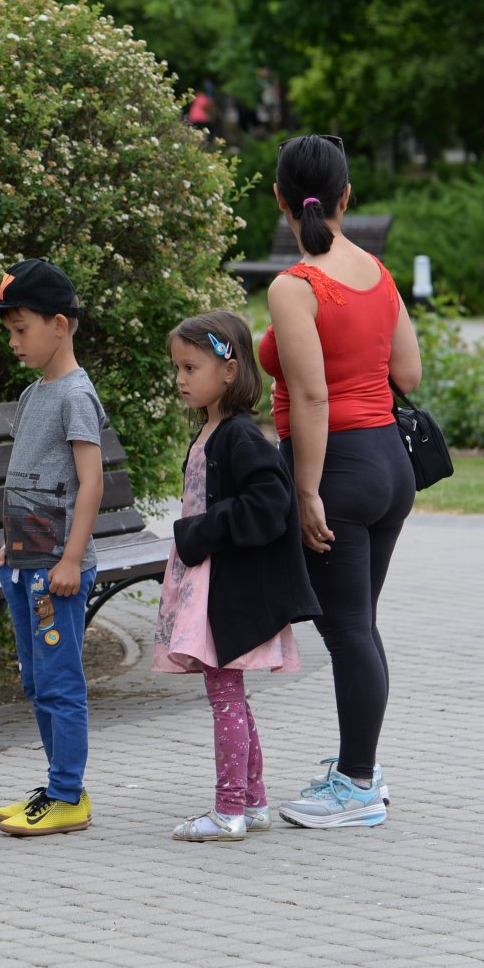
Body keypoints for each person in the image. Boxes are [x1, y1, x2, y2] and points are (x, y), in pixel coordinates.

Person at [260, 133, 422, 829]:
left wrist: (306, 491)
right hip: (390, 466)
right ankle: (363, 770)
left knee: (348, 629)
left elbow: (311, 396)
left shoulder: (295, 287)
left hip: (339, 473)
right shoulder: (378, 273)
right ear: (346, 196)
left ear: (280, 199)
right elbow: (408, 373)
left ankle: (356, 785)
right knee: (359, 625)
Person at [154, 311, 321, 842]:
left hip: (223, 590)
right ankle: (252, 803)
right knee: (229, 693)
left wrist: (202, 530)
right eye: (177, 368)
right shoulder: (211, 431)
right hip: (207, 583)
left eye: (191, 367)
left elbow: (271, 503)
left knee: (225, 694)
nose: (180, 378)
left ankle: (228, 811)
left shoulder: (240, 436)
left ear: (228, 371)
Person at [0, 258, 104, 837]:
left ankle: (67, 794)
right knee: (35, 680)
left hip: (57, 571)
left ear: (59, 325)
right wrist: (10, 543)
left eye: (21, 329)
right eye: (9, 331)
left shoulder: (76, 395)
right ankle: (59, 785)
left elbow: (91, 482)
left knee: (59, 682)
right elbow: (28, 474)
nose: (14, 341)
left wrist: (71, 558)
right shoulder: (33, 394)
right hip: (24, 564)